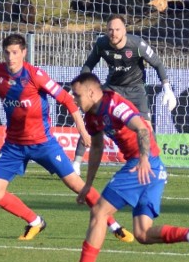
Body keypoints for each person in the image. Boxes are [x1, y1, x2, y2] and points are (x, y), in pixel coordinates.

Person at [0, 33, 133, 242]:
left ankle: (115, 226)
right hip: (13, 146)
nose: (11, 57)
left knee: (77, 185)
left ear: (24, 52)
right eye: (7, 53)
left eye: (15, 53)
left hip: (43, 143)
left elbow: (67, 100)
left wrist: (83, 131)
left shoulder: (36, 75)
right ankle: (35, 221)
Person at [50, 72, 189, 262]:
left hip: (142, 164)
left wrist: (143, 159)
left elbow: (141, 128)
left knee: (99, 212)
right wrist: (88, 184)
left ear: (91, 92)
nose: (75, 100)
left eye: (77, 95)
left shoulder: (113, 103)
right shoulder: (91, 116)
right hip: (154, 168)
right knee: (142, 233)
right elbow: (96, 147)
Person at [71, 14, 177, 175]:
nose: (114, 33)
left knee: (146, 127)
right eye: (110, 30)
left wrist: (167, 88)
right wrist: (78, 86)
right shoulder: (102, 44)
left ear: (125, 30)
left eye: (117, 29)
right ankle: (76, 164)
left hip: (136, 89)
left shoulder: (137, 44)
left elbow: (157, 63)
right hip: (113, 88)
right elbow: (89, 65)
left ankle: (155, 165)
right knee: (93, 121)